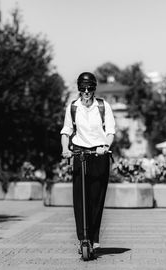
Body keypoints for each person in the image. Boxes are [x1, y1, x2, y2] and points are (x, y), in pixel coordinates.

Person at [60, 72, 115, 254]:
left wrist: (105, 146)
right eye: (83, 88)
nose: (86, 92)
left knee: (96, 198)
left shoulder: (103, 106)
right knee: (80, 199)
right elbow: (66, 131)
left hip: (99, 154)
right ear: (78, 89)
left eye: (89, 88)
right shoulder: (73, 107)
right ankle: (83, 238)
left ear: (94, 89)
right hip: (80, 153)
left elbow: (111, 131)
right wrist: (65, 149)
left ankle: (93, 237)